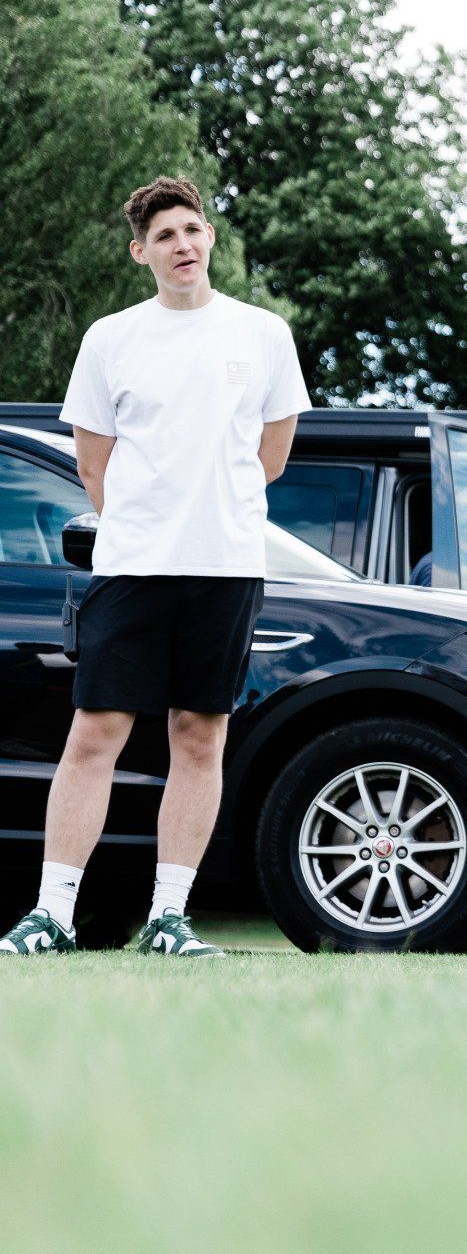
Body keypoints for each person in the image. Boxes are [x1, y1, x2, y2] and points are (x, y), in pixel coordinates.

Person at [0, 177, 309, 957]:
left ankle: (169, 918)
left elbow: (269, 459)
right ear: (142, 252)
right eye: (165, 235)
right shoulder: (112, 338)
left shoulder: (263, 333)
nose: (183, 244)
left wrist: (207, 511)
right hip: (135, 565)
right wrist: (149, 521)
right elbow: (95, 466)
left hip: (227, 566)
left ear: (210, 238)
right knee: (95, 730)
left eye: (193, 230)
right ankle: (52, 916)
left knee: (201, 736)